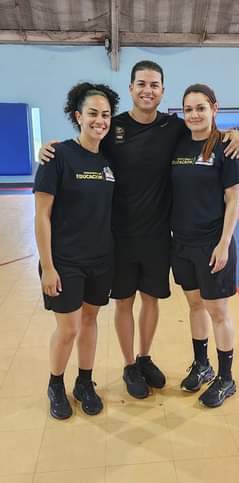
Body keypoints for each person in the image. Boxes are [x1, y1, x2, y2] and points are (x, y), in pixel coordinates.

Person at [39, 60, 239, 400]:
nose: (148, 90)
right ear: (131, 89)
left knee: (152, 301)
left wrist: (232, 135)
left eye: (154, 85)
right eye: (141, 84)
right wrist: (51, 147)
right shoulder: (110, 127)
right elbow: (81, 147)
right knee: (123, 304)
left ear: (162, 91)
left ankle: (146, 357)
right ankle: (129, 363)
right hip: (116, 237)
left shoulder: (173, 127)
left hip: (158, 236)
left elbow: (206, 132)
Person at [34, 82, 119, 419]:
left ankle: (85, 382)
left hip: (101, 259)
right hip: (65, 260)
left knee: (90, 319)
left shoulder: (110, 159)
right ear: (78, 116)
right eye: (93, 114)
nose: (100, 120)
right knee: (68, 327)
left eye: (106, 115)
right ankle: (56, 384)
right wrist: (47, 266)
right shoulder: (58, 156)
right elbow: (42, 214)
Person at [171, 84, 239, 408]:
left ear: (214, 108)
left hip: (213, 243)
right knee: (195, 306)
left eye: (201, 107)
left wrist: (224, 244)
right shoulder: (178, 144)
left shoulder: (225, 147)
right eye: (188, 109)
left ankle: (226, 378)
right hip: (182, 243)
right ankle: (202, 366)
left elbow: (232, 200)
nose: (194, 114)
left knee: (218, 310)